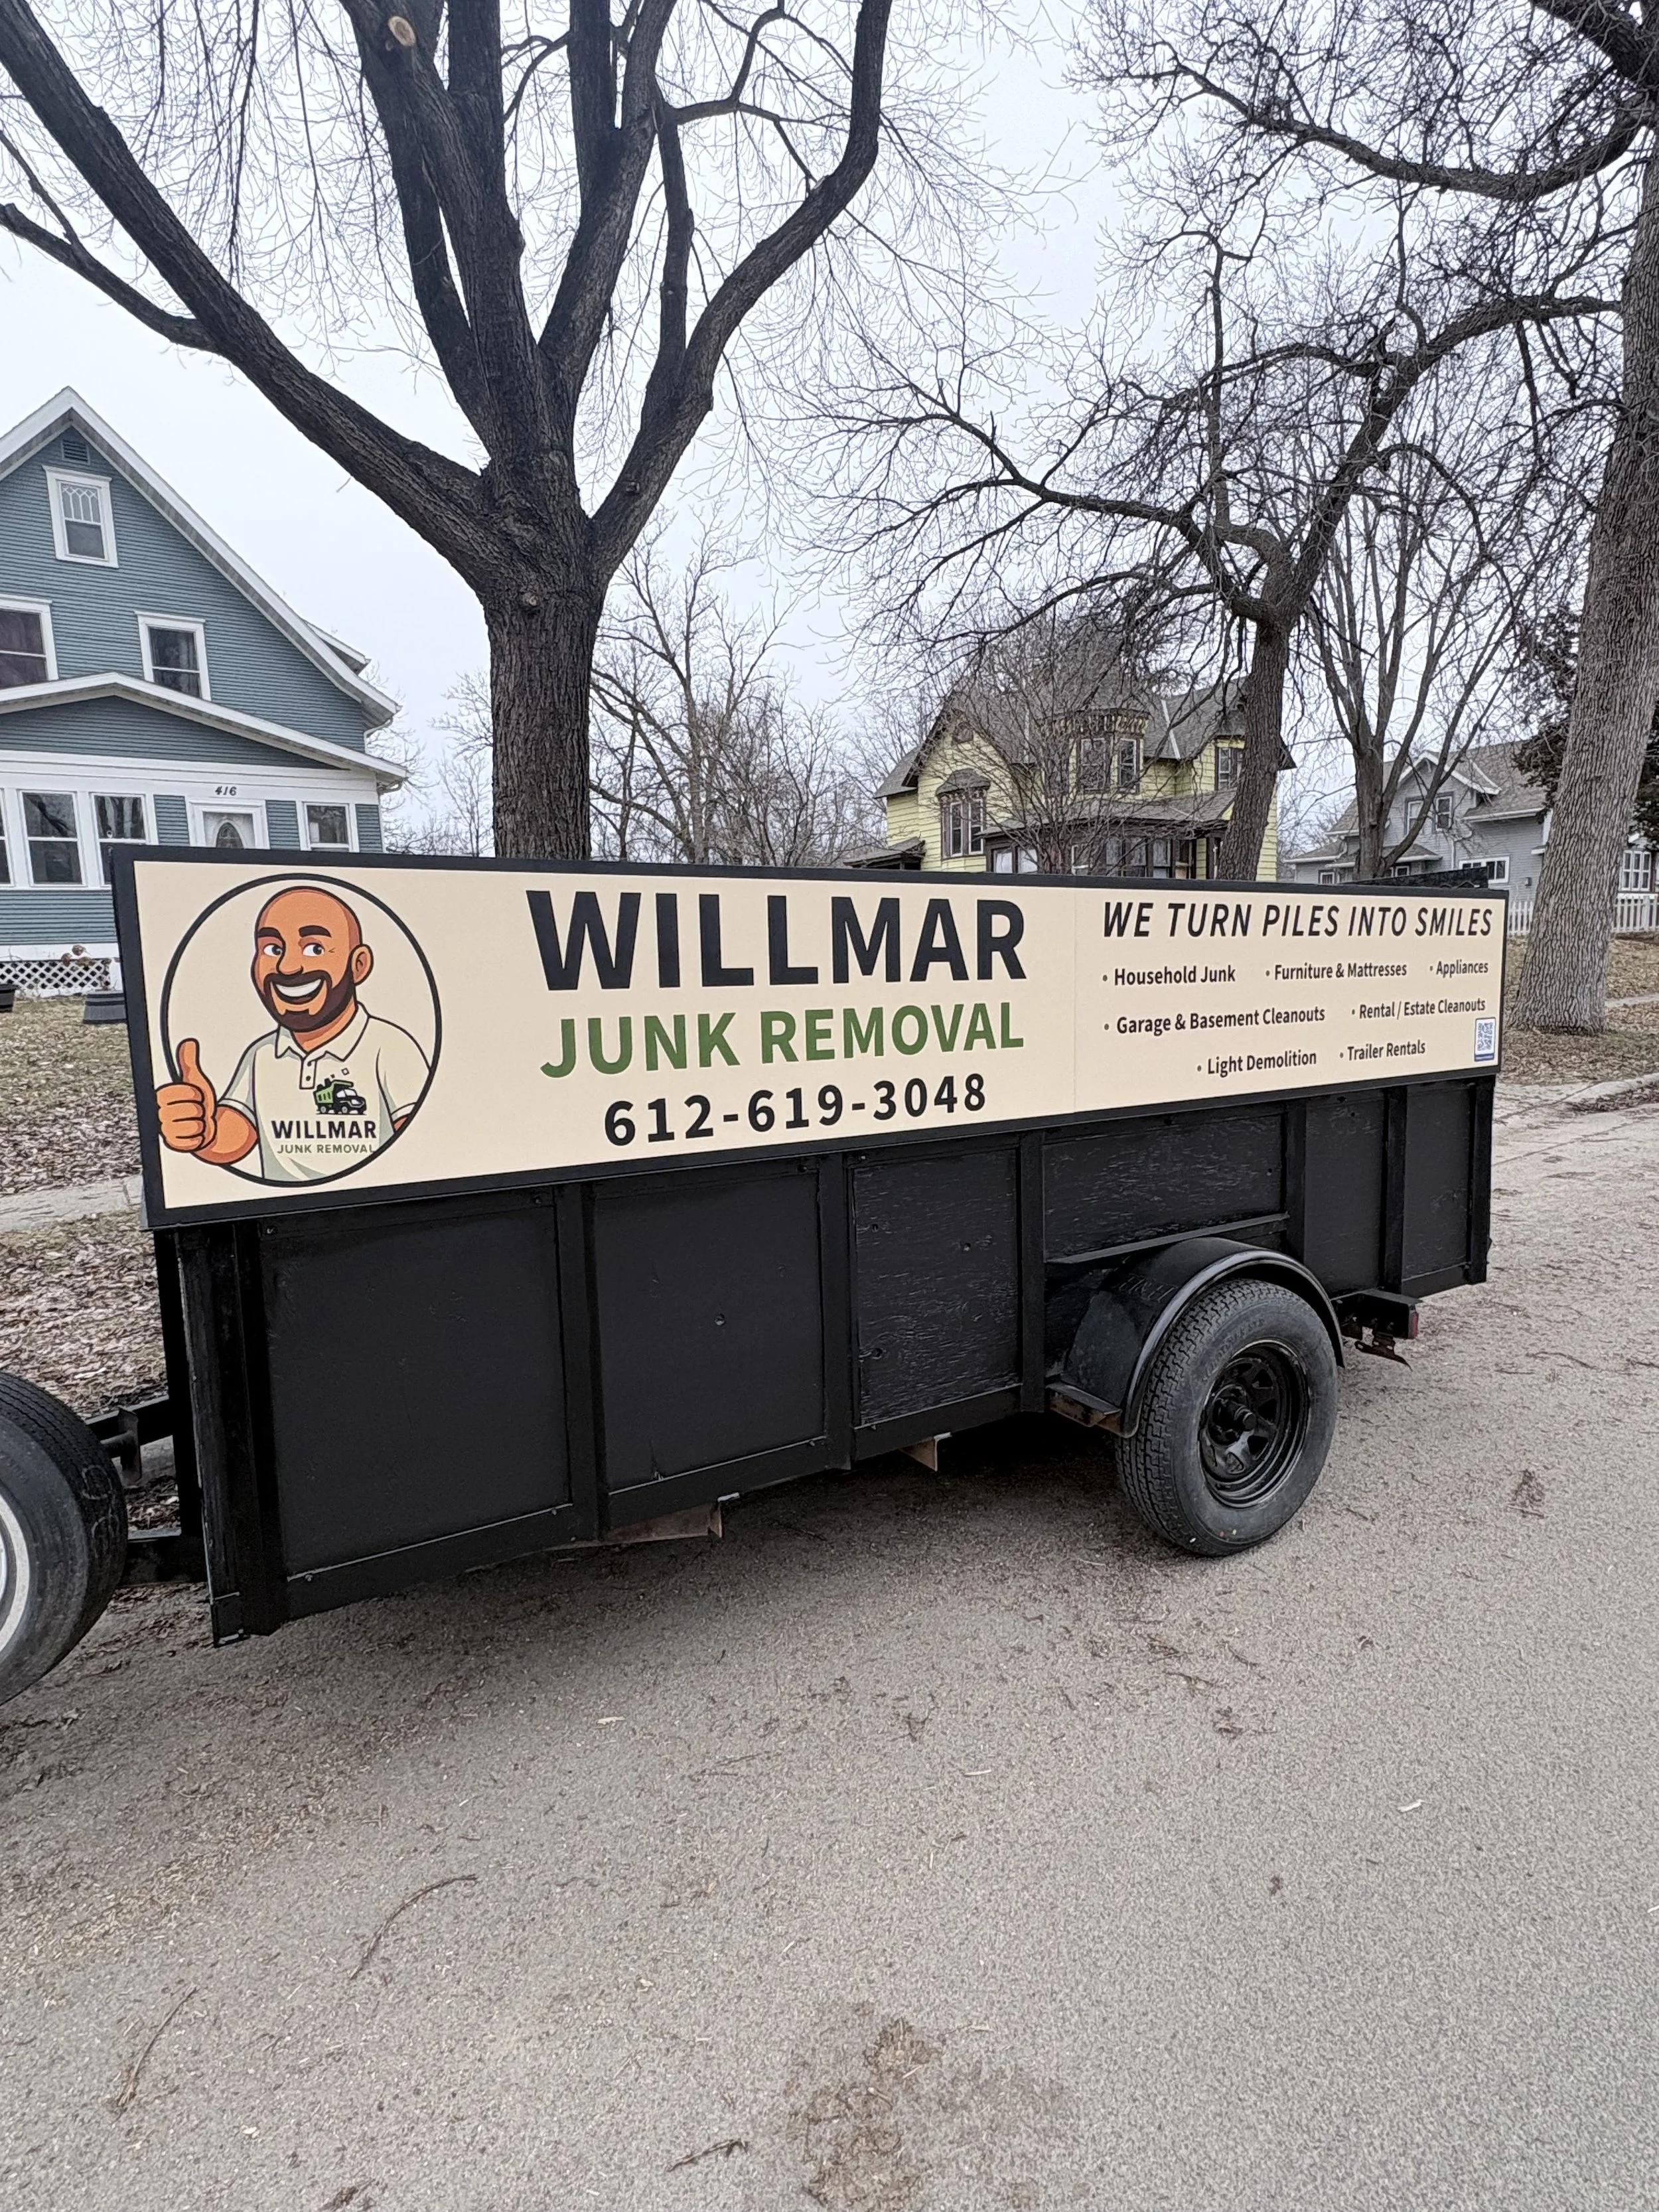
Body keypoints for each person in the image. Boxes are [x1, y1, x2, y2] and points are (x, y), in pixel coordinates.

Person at [155, 886, 429, 1182]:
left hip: (373, 1215)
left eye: (314, 948)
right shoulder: (260, 1055)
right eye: (273, 949)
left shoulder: (389, 1047)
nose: (288, 966)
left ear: (358, 964)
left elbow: (422, 1142)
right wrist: (201, 1129)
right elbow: (238, 1133)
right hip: (291, 1220)